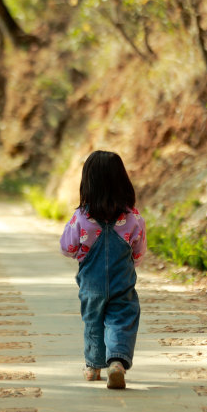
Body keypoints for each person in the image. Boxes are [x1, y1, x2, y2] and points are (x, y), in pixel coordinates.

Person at [59, 151, 147, 389]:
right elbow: (138, 251)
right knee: (122, 319)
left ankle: (93, 367)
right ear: (123, 182)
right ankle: (117, 362)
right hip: (122, 281)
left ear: (88, 183)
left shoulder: (81, 217)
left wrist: (80, 251)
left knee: (93, 321)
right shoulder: (133, 218)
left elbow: (67, 247)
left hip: (91, 283)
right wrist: (132, 263)